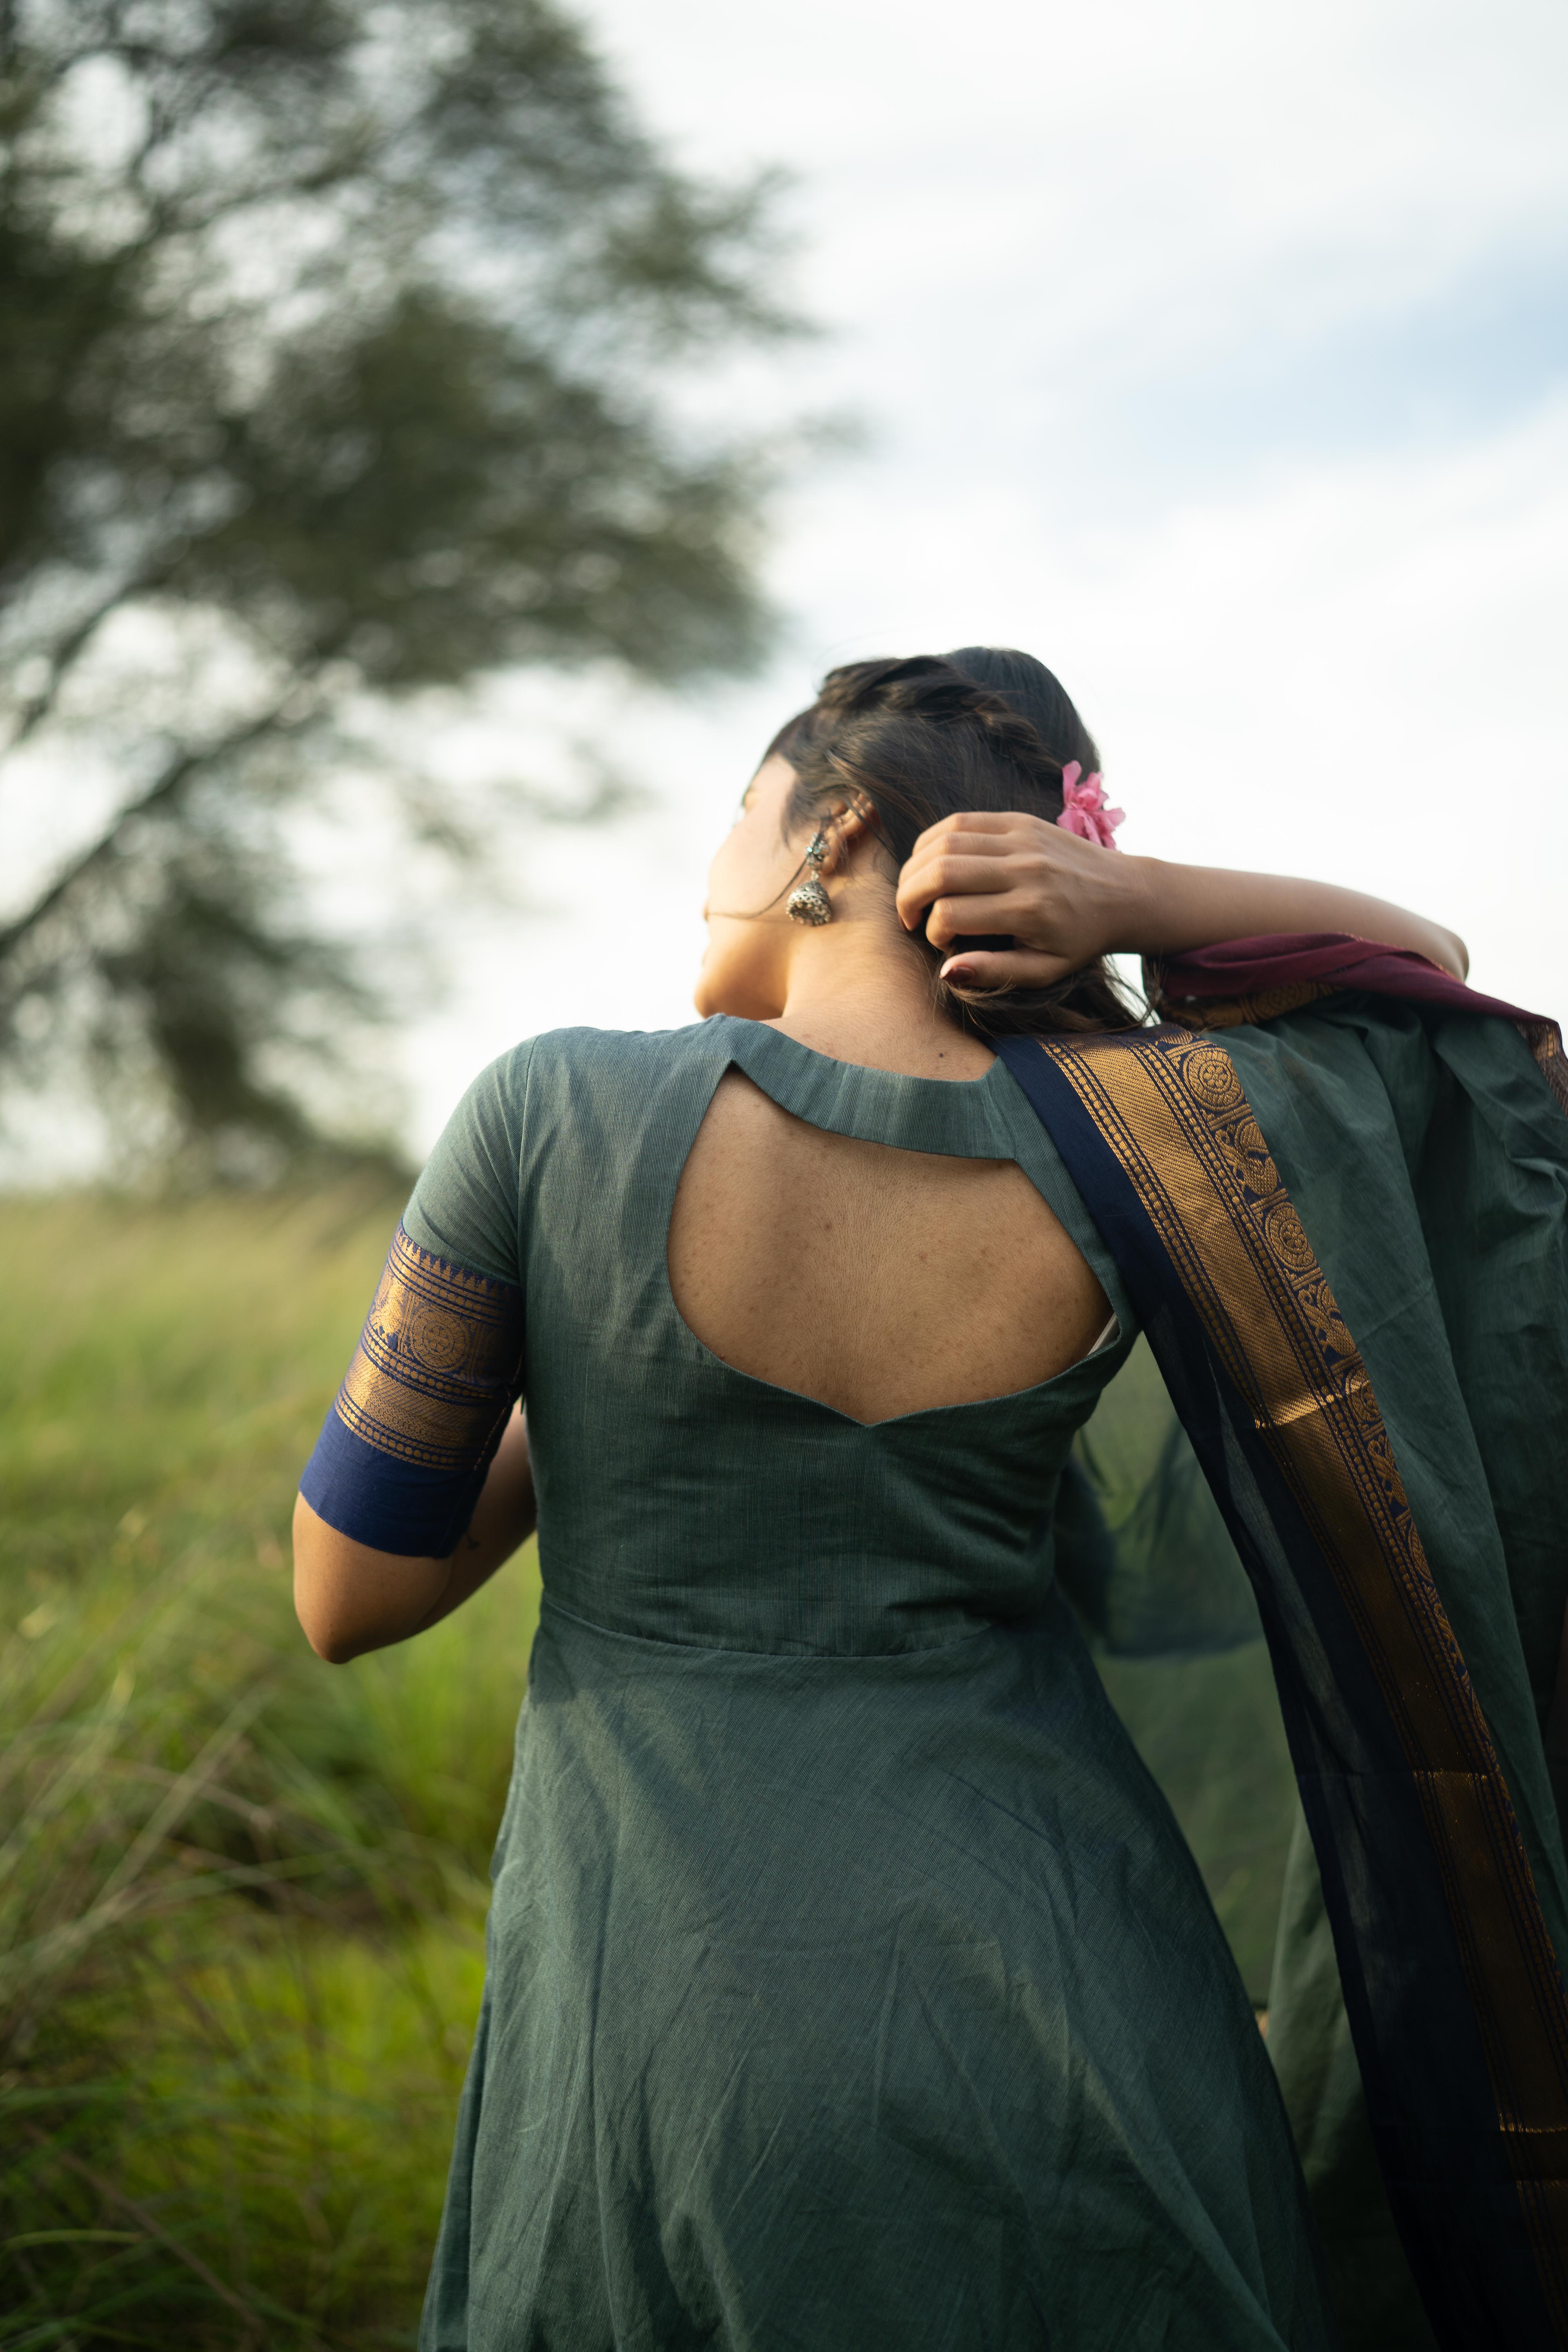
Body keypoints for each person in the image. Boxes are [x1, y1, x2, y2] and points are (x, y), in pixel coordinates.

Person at [291, 649, 1527, 2351]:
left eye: (736, 815)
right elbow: (1426, 979)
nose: (707, 868)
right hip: (1099, 1999)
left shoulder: (550, 1105)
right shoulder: (1141, 1151)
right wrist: (1129, 901)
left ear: (833, 827)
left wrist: (593, 1380)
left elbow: (347, 1595)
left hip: (683, 2015)